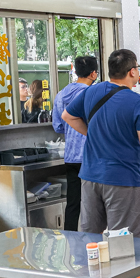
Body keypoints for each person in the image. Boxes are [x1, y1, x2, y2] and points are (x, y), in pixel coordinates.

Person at [62, 49, 140, 278]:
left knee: (91, 232)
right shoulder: (137, 102)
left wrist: (92, 134)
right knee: (125, 238)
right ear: (133, 71)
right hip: (123, 179)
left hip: (89, 176)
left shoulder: (90, 91)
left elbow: (67, 116)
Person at [51, 55, 99, 231]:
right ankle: (94, 242)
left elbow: (57, 126)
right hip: (92, 156)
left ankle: (70, 241)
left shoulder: (61, 95)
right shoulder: (92, 94)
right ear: (93, 74)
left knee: (73, 202)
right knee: (95, 203)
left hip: (71, 156)